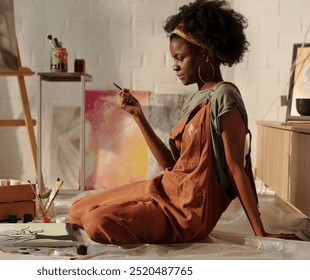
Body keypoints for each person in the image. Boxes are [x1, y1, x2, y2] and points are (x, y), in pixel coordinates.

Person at [69, 0, 299, 245]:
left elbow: (236, 168)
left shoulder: (225, 97)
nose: (175, 66)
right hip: (166, 188)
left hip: (188, 212)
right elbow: (172, 165)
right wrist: (138, 116)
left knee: (97, 222)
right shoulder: (194, 100)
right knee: (77, 209)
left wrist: (260, 232)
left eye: (180, 57)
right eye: (174, 58)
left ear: (206, 54)